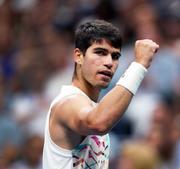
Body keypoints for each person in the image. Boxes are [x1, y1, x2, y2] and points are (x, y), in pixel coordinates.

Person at [42, 19, 159, 169]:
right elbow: (98, 122)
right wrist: (139, 65)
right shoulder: (67, 103)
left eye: (115, 56)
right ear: (78, 56)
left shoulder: (92, 105)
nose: (109, 62)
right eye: (100, 52)